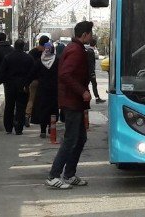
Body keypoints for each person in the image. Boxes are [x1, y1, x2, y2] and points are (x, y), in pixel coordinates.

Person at [46, 21, 93, 189]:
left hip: (76, 103)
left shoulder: (77, 49)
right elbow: (65, 74)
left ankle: (70, 174)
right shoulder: (75, 51)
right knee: (71, 139)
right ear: (85, 34)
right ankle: (54, 175)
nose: (92, 36)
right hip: (72, 102)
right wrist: (82, 91)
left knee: (80, 138)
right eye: (91, 33)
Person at [0, 39, 34, 135]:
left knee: (9, 106)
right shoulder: (28, 58)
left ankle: (8, 127)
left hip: (9, 85)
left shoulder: (8, 57)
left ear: (14, 46)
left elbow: (1, 72)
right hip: (23, 86)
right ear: (23, 47)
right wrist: (27, 83)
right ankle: (19, 128)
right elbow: (32, 73)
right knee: (21, 107)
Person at [26, 42, 59, 138]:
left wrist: (26, 83)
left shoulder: (40, 61)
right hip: (54, 89)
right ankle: (51, 127)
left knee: (43, 108)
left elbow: (32, 74)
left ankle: (43, 130)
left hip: (42, 89)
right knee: (53, 108)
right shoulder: (57, 61)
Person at [25, 35, 50, 127]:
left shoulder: (32, 52)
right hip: (42, 81)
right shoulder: (46, 53)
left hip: (33, 80)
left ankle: (27, 116)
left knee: (31, 99)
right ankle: (41, 119)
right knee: (43, 100)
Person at [85, 37, 105, 103]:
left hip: (88, 72)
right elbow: (91, 63)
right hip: (91, 72)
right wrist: (92, 73)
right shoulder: (91, 52)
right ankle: (97, 98)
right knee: (94, 84)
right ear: (95, 44)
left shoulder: (88, 50)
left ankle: (95, 98)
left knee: (89, 85)